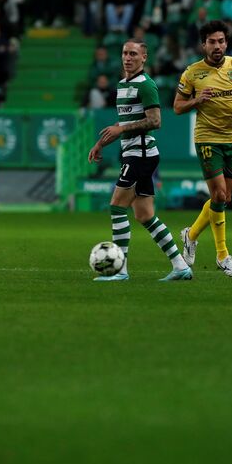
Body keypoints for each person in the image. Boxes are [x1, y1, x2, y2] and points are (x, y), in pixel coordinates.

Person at [87, 39, 193, 282]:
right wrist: (102, 142)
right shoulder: (123, 84)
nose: (128, 57)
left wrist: (121, 131)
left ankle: (120, 270)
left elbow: (155, 121)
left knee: (116, 206)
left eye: (133, 53)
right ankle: (180, 266)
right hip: (134, 153)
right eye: (125, 53)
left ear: (144, 58)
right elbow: (125, 125)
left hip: (141, 155)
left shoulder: (146, 85)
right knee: (145, 216)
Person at [174, 20, 232, 278]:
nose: (218, 46)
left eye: (221, 41)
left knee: (223, 199)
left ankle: (190, 235)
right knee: (220, 194)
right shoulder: (193, 72)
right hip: (207, 139)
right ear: (203, 44)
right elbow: (177, 107)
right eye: (212, 42)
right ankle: (223, 255)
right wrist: (196, 100)